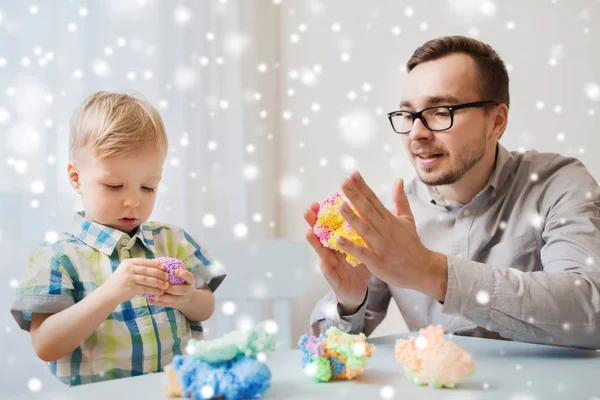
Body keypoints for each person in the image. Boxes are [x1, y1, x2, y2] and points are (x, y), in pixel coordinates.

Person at [307, 36, 600, 349]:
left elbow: (590, 310)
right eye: (408, 115)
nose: (417, 133)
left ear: (496, 122)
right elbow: (326, 351)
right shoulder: (394, 216)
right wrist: (349, 303)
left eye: (440, 111)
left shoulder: (556, 183)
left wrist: (431, 271)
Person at [10, 92, 227, 385]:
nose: (133, 202)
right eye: (114, 186)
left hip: (175, 389)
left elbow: (206, 307)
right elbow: (46, 346)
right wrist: (110, 293)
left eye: (148, 187)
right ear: (76, 178)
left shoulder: (173, 240)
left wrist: (188, 298)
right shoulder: (57, 255)